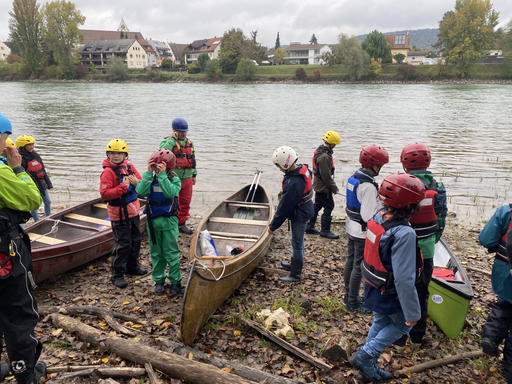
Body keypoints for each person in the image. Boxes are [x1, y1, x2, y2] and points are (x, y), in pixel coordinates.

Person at [349, 173, 425, 383]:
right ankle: (365, 356)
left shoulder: (379, 216)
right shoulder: (404, 233)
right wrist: (412, 312)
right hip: (390, 291)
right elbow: (403, 278)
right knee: (403, 325)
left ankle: (367, 365)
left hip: (374, 285)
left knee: (380, 321)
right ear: (410, 206)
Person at [0, 113, 47, 384]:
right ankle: (25, 371)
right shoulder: (3, 170)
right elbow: (32, 199)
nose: (7, 142)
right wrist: (18, 169)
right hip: (6, 250)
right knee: (19, 310)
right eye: (6, 136)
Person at [393, 143, 448, 348]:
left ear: (405, 163)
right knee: (421, 293)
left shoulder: (400, 184)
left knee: (400, 291)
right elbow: (441, 219)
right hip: (426, 251)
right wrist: (433, 239)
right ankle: (416, 338)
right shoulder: (438, 187)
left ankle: (398, 339)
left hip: (401, 250)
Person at [344, 145, 389, 313]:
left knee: (350, 261)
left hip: (350, 226)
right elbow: (368, 215)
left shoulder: (353, 178)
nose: (380, 168)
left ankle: (348, 295)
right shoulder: (369, 187)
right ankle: (353, 303)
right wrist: (382, 206)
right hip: (361, 232)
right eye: (381, 166)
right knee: (358, 266)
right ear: (375, 165)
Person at [100, 139, 146, 288]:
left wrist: (135, 183)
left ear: (125, 154)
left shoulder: (129, 167)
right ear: (108, 154)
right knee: (123, 244)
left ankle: (132, 268)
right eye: (112, 153)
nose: (116, 156)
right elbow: (105, 193)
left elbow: (141, 182)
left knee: (135, 240)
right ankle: (117, 275)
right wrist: (123, 187)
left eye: (119, 153)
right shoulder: (107, 172)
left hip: (133, 211)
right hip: (118, 214)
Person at [135, 149, 182, 295]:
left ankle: (175, 280)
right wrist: (149, 173)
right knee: (156, 253)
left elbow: (170, 193)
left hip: (169, 222)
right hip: (153, 223)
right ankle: (159, 280)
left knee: (171, 252)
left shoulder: (174, 179)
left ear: (168, 167)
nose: (157, 169)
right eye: (155, 166)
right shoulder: (151, 178)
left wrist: (162, 176)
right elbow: (141, 190)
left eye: (160, 167)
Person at [269, 146, 314, 282]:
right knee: (297, 242)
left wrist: (273, 226)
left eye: (280, 167)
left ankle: (295, 274)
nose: (280, 170)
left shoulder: (294, 182)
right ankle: (294, 265)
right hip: (306, 209)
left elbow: (285, 207)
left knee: (297, 243)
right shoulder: (303, 169)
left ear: (286, 164)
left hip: (300, 214)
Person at [478, 204, 512, 383]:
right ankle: (509, 370)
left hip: (504, 271)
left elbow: (485, 239)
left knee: (504, 304)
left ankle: (490, 337)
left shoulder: (506, 212)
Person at [159, 118, 197, 235]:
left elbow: (193, 160)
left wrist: (194, 174)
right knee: (170, 200)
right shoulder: (168, 142)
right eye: (181, 131)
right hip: (173, 178)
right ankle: (169, 222)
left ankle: (181, 224)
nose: (183, 133)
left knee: (185, 201)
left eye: (185, 131)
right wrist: (172, 139)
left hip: (187, 178)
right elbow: (162, 153)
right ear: (174, 130)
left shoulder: (190, 143)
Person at [305, 130, 341, 239]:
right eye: (335, 144)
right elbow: (326, 176)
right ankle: (325, 231)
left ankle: (309, 226)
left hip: (318, 185)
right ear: (332, 144)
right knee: (329, 206)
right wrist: (334, 188)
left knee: (317, 206)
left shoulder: (320, 151)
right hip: (324, 188)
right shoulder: (324, 157)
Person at [16, 135, 53, 222]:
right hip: (31, 185)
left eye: (33, 144)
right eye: (29, 145)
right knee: (34, 205)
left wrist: (49, 184)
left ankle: (49, 218)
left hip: (42, 183)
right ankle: (36, 221)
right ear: (22, 146)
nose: (32, 146)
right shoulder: (20, 158)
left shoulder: (35, 155)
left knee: (47, 201)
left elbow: (42, 170)